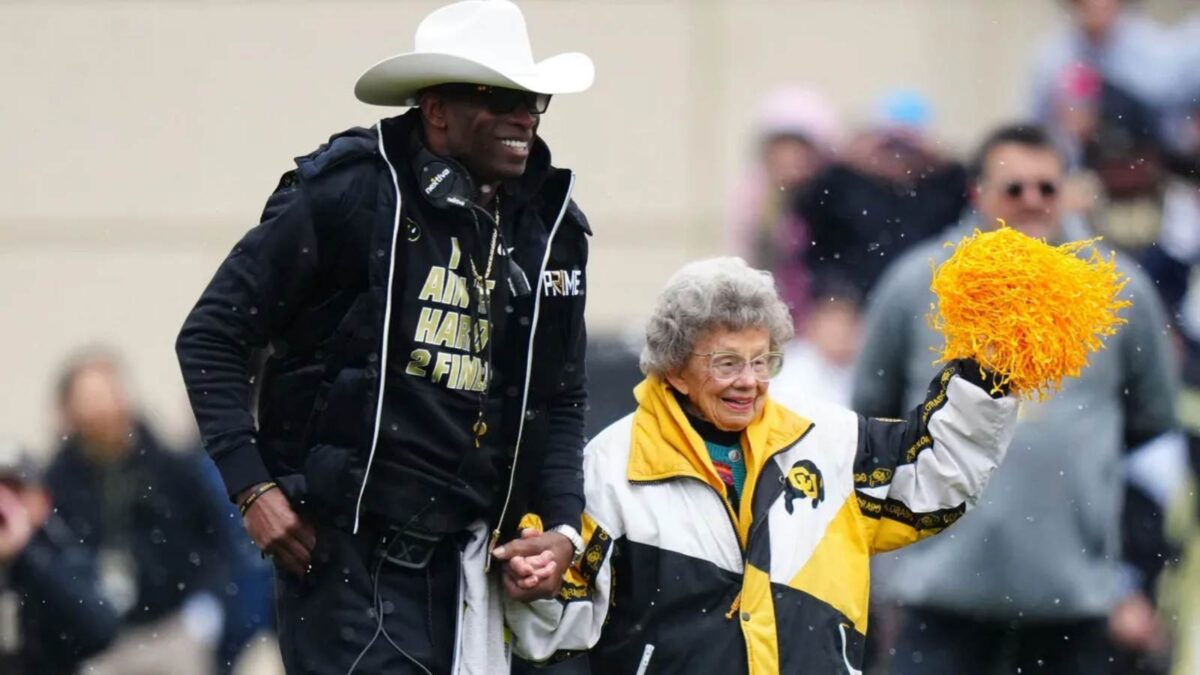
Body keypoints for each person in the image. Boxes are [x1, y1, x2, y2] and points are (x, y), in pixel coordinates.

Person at [175, 1, 595, 672]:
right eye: (503, 98)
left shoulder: (552, 228)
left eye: (535, 99)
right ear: (435, 109)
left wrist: (566, 531)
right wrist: (252, 487)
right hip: (345, 565)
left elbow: (562, 397)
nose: (526, 117)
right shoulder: (349, 193)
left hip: (470, 577)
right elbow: (211, 335)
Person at [500, 257, 1019, 674]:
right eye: (726, 363)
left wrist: (991, 371)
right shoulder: (611, 466)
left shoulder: (827, 439)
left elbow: (937, 478)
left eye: (762, 360)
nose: (749, 380)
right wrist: (533, 583)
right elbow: (555, 630)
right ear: (675, 369)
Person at [853, 124, 1177, 674]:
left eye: (1046, 188)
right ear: (978, 192)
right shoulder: (919, 282)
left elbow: (1150, 417)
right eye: (1014, 188)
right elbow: (872, 415)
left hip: (1073, 598)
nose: (1032, 201)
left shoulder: (1116, 287)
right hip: (938, 592)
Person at [47, 350, 231, 675]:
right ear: (69, 410)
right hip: (99, 642)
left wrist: (207, 606)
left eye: (107, 393)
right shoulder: (56, 484)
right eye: (89, 399)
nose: (102, 409)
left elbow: (217, 537)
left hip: (174, 630)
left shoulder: (170, 467)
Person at [795, 90, 967, 300]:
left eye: (907, 148)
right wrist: (846, 160)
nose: (898, 157)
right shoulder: (841, 187)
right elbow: (808, 217)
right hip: (852, 304)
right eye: (889, 146)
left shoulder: (945, 190)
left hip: (923, 299)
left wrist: (942, 164)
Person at [0, 438, 118, 675]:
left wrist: (24, 554)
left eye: (15, 491)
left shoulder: (61, 549)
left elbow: (100, 630)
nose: (5, 505)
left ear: (42, 499)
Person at [727, 84, 842, 325]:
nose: (788, 159)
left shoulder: (836, 202)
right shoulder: (754, 197)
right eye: (780, 150)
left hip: (825, 330)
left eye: (798, 150)